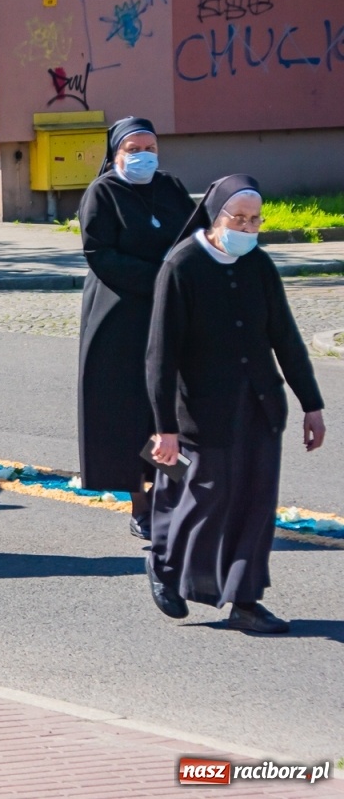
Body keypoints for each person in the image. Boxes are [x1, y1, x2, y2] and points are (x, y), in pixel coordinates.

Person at [144, 176, 326, 635]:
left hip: (260, 406)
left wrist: (312, 404)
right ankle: (165, 563)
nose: (247, 227)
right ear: (215, 214)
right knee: (206, 497)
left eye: (255, 220)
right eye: (238, 218)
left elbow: (284, 335)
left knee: (255, 503)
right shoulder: (181, 266)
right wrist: (164, 427)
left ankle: (245, 601)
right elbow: (160, 356)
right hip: (202, 411)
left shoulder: (258, 265)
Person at [77, 116, 196, 540]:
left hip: (170, 312)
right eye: (134, 149)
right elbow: (99, 253)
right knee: (128, 410)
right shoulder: (102, 193)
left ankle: (172, 490)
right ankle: (139, 500)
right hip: (120, 313)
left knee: (167, 407)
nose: (144, 157)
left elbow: (194, 236)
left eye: (150, 148)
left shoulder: (170, 188)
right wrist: (159, 277)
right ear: (115, 154)